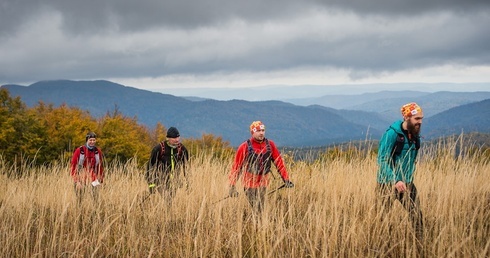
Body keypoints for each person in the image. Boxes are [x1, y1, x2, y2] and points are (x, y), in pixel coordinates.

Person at [376, 102, 424, 253]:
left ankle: (419, 249)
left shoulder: (416, 136)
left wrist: (407, 178)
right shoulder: (392, 134)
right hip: (386, 184)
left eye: (421, 118)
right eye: (417, 119)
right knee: (383, 221)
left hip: (407, 184)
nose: (420, 122)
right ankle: (382, 251)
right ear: (406, 117)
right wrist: (395, 179)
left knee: (417, 218)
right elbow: (381, 159)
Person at [228, 121, 294, 214]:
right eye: (258, 131)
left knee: (260, 209)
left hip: (263, 184)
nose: (261, 133)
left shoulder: (270, 145)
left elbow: (279, 163)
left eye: (263, 130)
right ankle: (259, 226)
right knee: (259, 209)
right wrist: (232, 186)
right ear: (252, 132)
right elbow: (236, 167)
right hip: (249, 185)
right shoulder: (244, 147)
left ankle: (259, 226)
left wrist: (286, 180)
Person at [146, 127, 189, 202]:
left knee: (171, 201)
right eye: (174, 138)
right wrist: (151, 185)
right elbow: (150, 166)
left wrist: (188, 183)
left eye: (178, 137)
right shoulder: (159, 149)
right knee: (167, 200)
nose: (177, 140)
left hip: (175, 182)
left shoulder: (182, 149)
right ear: (168, 138)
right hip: (160, 181)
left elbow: (186, 167)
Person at [70, 132, 104, 203]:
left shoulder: (97, 152)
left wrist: (101, 180)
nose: (92, 142)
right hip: (81, 177)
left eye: (94, 140)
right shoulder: (80, 151)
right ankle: (80, 212)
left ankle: (95, 212)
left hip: (93, 178)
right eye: (90, 140)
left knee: (96, 199)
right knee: (80, 199)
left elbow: (100, 166)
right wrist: (77, 181)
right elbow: (73, 166)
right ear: (87, 140)